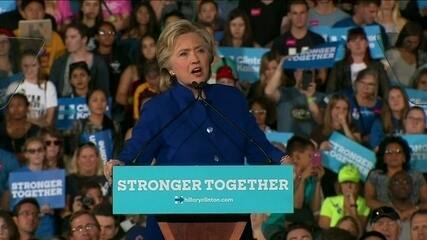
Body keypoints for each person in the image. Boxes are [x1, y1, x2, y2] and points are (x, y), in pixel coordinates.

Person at [105, 19, 284, 239]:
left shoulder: (232, 99)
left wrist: (284, 161)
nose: (195, 58)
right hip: (172, 225)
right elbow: (135, 155)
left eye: (200, 50)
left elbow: (259, 148)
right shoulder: (159, 109)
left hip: (232, 224)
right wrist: (119, 166)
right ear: (169, 68)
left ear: (209, 57)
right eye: (184, 54)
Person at [365, 136, 427, 220]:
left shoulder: (416, 176)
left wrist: (413, 210)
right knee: (375, 215)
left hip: (412, 217)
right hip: (382, 214)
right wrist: (391, 209)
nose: (394, 155)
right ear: (383, 158)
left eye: (398, 152)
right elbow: (369, 200)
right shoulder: (375, 175)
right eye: (389, 152)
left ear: (404, 157)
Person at [271, 0, 327, 86]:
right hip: (286, 92)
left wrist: (313, 86)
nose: (299, 17)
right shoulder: (279, 42)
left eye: (302, 13)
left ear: (307, 14)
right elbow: (274, 72)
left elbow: (322, 73)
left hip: (311, 91)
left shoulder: (318, 40)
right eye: (295, 13)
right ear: (289, 15)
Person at [326, 27, 390, 98]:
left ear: (367, 43)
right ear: (348, 45)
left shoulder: (378, 66)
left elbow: (386, 91)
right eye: (353, 40)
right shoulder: (338, 66)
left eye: (361, 40)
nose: (357, 44)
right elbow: (330, 91)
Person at [50, 22, 110, 97]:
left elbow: (104, 91)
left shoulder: (98, 63)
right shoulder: (60, 62)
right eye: (66, 37)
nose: (67, 41)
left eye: (72, 37)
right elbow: (51, 90)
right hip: (63, 105)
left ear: (84, 39)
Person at [265, 64, 325, 137]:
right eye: (302, 71)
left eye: (309, 72)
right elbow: (268, 92)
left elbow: (320, 120)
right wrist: (281, 65)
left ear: (314, 75)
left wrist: (309, 97)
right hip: (284, 143)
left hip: (307, 144)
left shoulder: (321, 97)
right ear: (295, 74)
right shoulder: (284, 92)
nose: (305, 74)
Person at [6, 51, 58, 127]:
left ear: (39, 66)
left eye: (33, 65)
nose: (29, 69)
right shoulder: (13, 87)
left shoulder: (49, 86)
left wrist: (29, 121)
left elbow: (49, 121)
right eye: (26, 66)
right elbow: (9, 118)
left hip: (40, 132)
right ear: (21, 67)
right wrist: (37, 120)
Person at [13, 0, 65, 75]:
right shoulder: (14, 35)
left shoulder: (55, 37)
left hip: (48, 78)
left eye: (39, 9)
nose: (35, 13)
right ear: (23, 13)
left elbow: (61, 62)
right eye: (30, 10)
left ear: (44, 12)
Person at [319, 164, 370, 230]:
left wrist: (353, 205)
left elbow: (359, 232)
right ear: (340, 185)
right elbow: (323, 230)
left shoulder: (365, 204)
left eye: (352, 182)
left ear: (358, 185)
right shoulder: (329, 201)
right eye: (345, 182)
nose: (349, 186)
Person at [384, 22, 426, 87]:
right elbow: (383, 75)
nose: (412, 45)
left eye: (415, 42)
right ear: (402, 38)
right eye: (409, 41)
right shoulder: (392, 53)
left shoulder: (421, 57)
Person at [0, 94, 40, 158]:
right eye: (12, 106)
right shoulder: (1, 128)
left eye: (19, 105)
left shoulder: (35, 130)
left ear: (27, 107)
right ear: (7, 109)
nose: (16, 109)